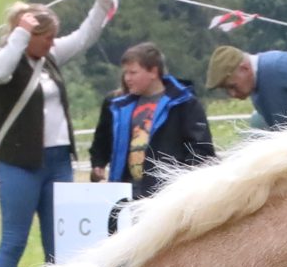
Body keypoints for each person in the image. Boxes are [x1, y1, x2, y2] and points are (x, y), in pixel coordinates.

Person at [0, 0, 119, 267]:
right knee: (14, 241)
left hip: (58, 161)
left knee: (60, 243)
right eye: (47, 37)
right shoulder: (0, 57)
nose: (52, 43)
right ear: (29, 36)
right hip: (19, 162)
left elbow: (84, 36)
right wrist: (19, 35)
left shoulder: (50, 56)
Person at [91, 42, 214, 195]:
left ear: (153, 72)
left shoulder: (184, 103)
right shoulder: (119, 106)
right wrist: (98, 162)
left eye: (133, 73)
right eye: (125, 73)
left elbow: (201, 149)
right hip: (127, 190)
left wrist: (186, 186)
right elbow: (103, 138)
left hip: (168, 192)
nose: (127, 78)